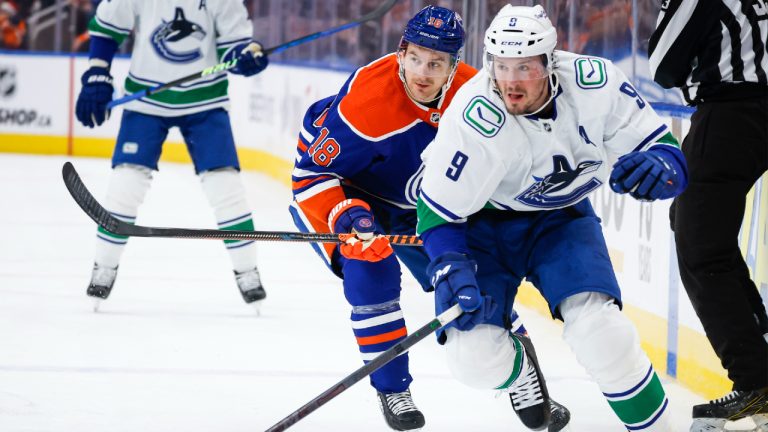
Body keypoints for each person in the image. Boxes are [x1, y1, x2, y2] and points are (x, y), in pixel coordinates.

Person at [289, 6, 571, 431]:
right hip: (354, 196)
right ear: (401, 53)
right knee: (370, 270)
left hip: (425, 203)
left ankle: (519, 373)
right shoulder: (366, 103)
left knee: (474, 274)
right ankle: (392, 389)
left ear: (454, 66)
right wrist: (347, 218)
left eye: (436, 63)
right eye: (416, 57)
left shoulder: (477, 94)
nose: (423, 72)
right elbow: (310, 174)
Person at [417, 4, 689, 431]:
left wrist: (665, 169)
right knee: (474, 360)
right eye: (500, 66)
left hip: (560, 222)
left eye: (523, 67)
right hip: (482, 231)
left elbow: (665, 150)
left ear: (549, 62)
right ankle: (520, 365)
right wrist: (449, 263)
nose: (509, 81)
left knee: (602, 333)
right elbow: (436, 211)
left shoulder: (594, 85)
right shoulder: (472, 115)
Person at [75, 0, 269, 310]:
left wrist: (244, 58)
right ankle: (104, 266)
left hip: (206, 102)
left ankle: (247, 270)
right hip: (146, 102)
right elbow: (108, 26)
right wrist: (98, 74)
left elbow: (233, 46)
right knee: (126, 184)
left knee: (226, 188)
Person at [648, 2, 768, 431]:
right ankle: (760, 358)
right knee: (696, 228)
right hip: (747, 111)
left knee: (700, 248)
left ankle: (757, 382)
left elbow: (663, 64)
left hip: (734, 113)